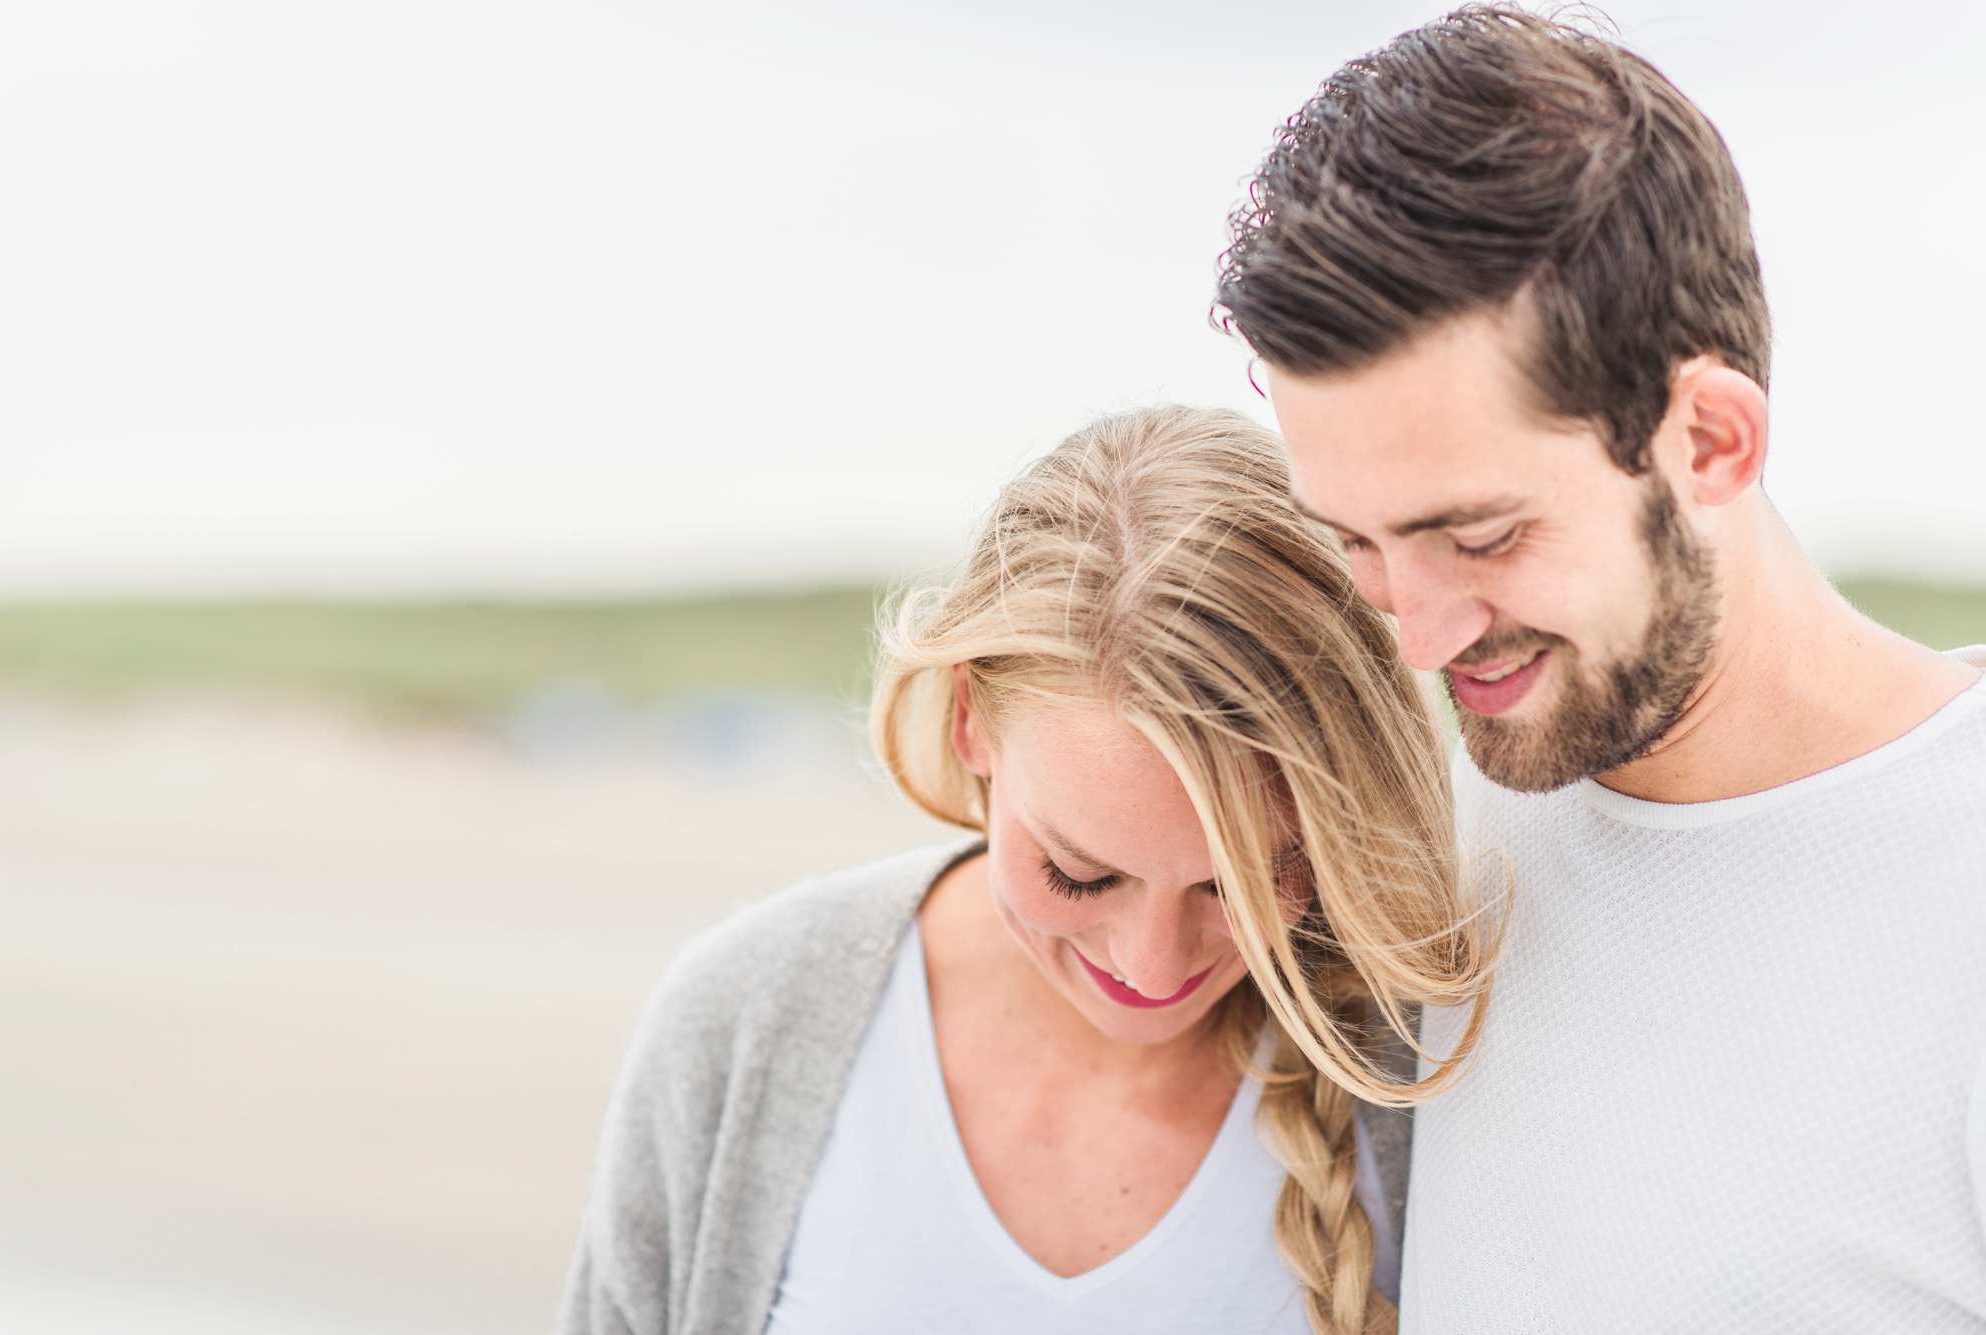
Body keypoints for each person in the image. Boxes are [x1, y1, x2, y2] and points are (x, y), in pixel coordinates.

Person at [1214, 6, 1986, 1331]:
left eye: (1481, 534)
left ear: (1711, 439)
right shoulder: (1414, 839)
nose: (1418, 633)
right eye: (1359, 541)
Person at [555, 405, 1495, 1335]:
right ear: (971, 720)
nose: (1155, 969)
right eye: (1081, 874)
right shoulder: (753, 1013)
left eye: (1242, 885)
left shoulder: (1427, 1056)